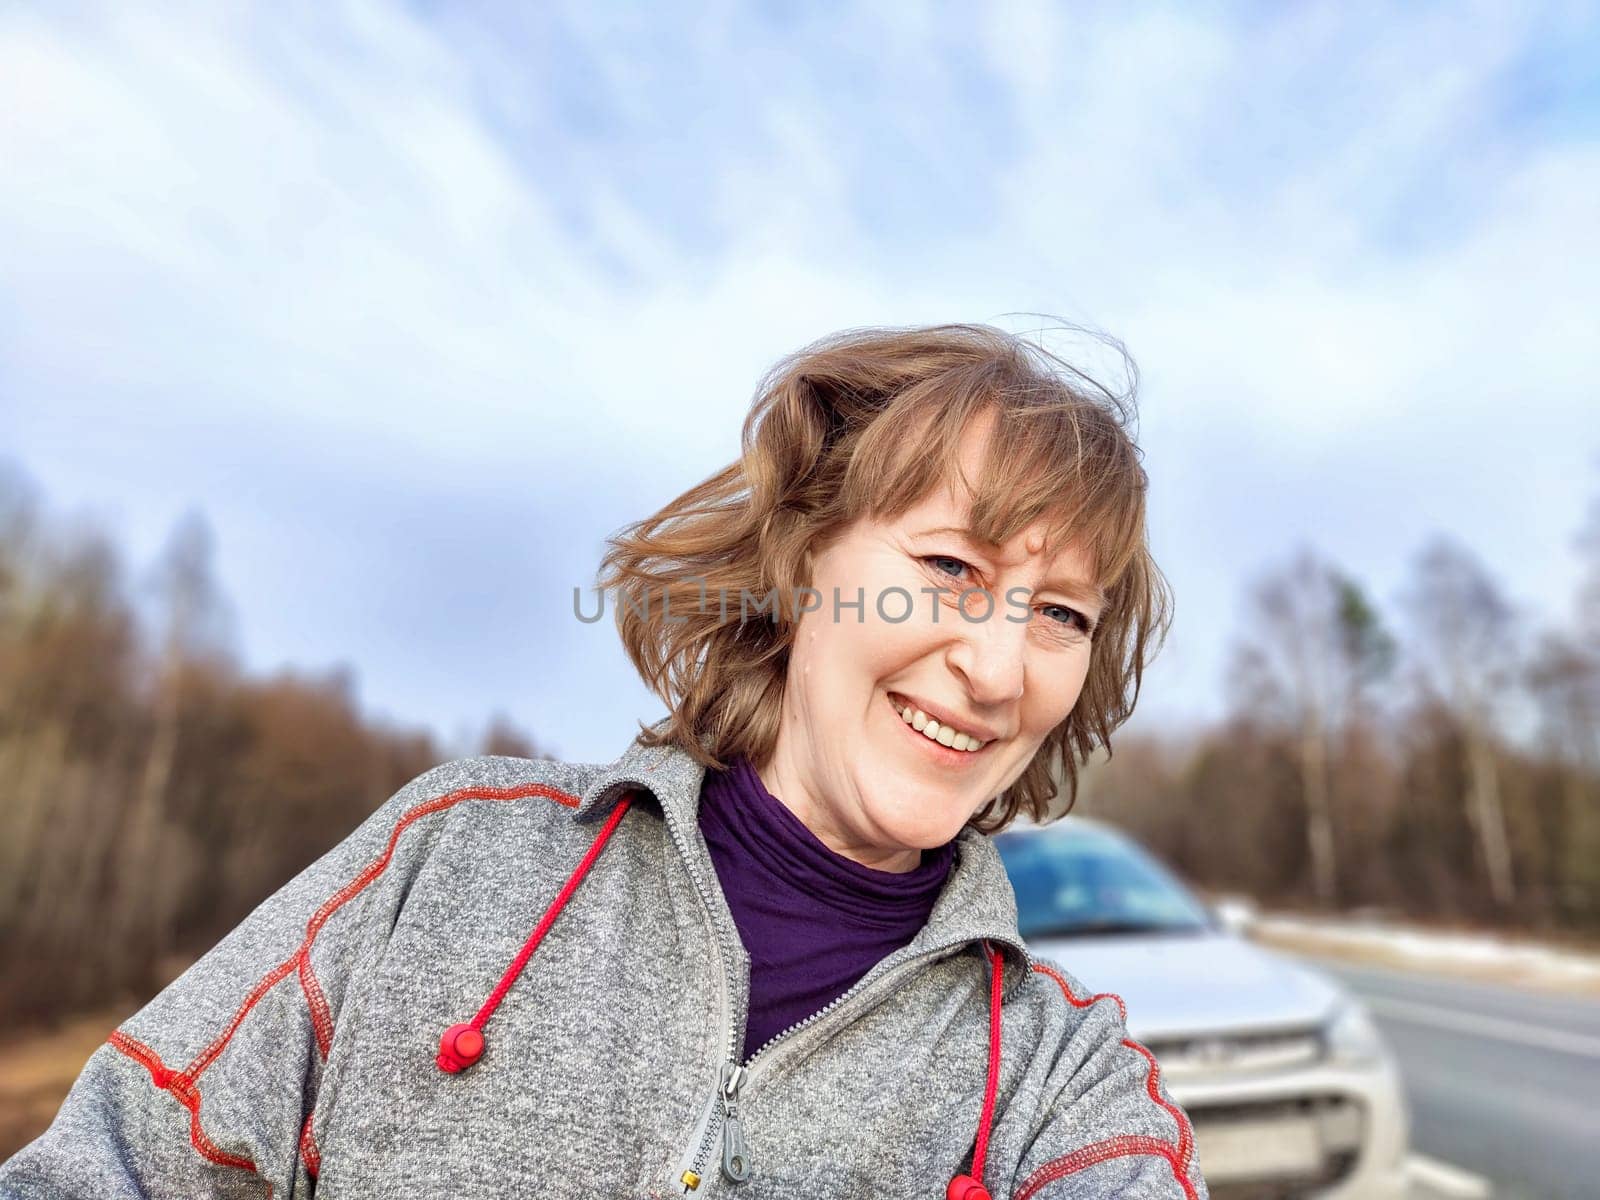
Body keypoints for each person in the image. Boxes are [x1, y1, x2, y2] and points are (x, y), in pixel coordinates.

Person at [0, 323, 1204, 1199]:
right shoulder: (453, 862)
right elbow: (102, 1166)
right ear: (801, 563)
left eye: (1062, 615)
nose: (998, 670)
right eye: (950, 570)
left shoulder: (1058, 1081)